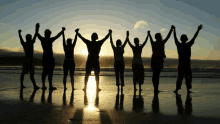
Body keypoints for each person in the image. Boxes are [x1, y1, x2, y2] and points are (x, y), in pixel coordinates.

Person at [173, 25, 203, 93]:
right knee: (188, 77)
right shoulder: (188, 44)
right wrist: (198, 30)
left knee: (180, 77)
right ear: (186, 39)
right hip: (187, 63)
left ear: (181, 39)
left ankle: (177, 89)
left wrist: (174, 30)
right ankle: (188, 89)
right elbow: (194, 37)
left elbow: (175, 37)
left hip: (181, 63)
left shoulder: (179, 45)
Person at [37, 23, 65, 90]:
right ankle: (46, 85)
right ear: (46, 34)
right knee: (46, 72)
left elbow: (37, 34)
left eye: (49, 34)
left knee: (49, 72)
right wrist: (62, 31)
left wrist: (37, 28)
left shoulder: (45, 39)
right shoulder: (46, 39)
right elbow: (57, 36)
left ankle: (48, 86)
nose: (49, 35)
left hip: (49, 58)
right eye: (48, 34)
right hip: (47, 58)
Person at [148, 26, 174, 93]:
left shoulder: (153, 43)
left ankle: (155, 88)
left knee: (154, 75)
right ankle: (156, 88)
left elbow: (150, 39)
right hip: (159, 60)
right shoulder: (162, 43)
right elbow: (168, 37)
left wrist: (149, 34)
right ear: (160, 37)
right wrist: (171, 30)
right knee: (157, 75)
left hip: (154, 60)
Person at [18, 23, 40, 89]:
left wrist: (19, 33)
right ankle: (35, 86)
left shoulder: (24, 43)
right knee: (31, 73)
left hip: (26, 59)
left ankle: (22, 85)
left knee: (23, 73)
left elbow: (21, 39)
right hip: (30, 59)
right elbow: (35, 34)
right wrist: (37, 28)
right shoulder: (31, 42)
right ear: (30, 38)